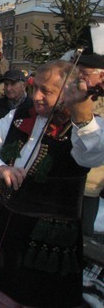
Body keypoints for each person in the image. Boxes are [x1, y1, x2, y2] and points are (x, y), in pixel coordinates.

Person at [0, 59, 104, 308]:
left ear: (69, 92)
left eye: (48, 91)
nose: (37, 96)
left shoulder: (83, 125)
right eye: (35, 88)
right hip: (6, 226)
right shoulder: (20, 114)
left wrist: (83, 117)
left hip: (44, 239)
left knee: (38, 297)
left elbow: (93, 154)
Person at [76, 52, 104, 237]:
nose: (80, 77)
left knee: (82, 234)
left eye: (85, 73)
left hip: (90, 184)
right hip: (67, 179)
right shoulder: (76, 94)